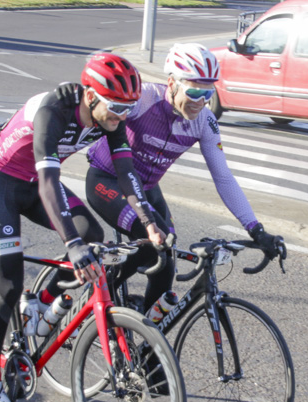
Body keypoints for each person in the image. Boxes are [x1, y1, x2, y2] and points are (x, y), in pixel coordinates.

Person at [0, 53, 164, 402]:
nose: (121, 116)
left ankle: (41, 302)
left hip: (37, 185)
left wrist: (148, 221)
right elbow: (49, 183)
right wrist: (71, 245)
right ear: (90, 96)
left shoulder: (112, 119)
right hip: (2, 184)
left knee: (93, 235)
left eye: (129, 108)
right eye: (114, 106)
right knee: (9, 284)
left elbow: (127, 175)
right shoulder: (54, 109)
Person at [83, 43, 284, 316]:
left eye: (208, 92)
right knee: (151, 242)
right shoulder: (143, 100)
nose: (200, 101)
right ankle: (94, 300)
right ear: (171, 83)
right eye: (194, 91)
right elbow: (99, 101)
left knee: (167, 261)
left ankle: (148, 348)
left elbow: (223, 176)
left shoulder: (204, 122)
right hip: (106, 180)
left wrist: (256, 229)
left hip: (147, 189)